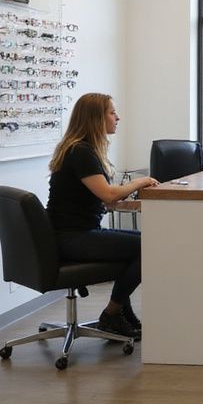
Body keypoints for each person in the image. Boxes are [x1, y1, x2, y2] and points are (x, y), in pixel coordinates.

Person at [46, 93, 158, 341]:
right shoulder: (81, 152)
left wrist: (134, 201)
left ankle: (121, 313)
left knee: (141, 242)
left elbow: (101, 199)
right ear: (95, 118)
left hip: (74, 232)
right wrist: (142, 181)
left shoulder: (80, 149)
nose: (118, 117)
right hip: (74, 237)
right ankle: (112, 313)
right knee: (150, 246)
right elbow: (108, 195)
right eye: (112, 112)